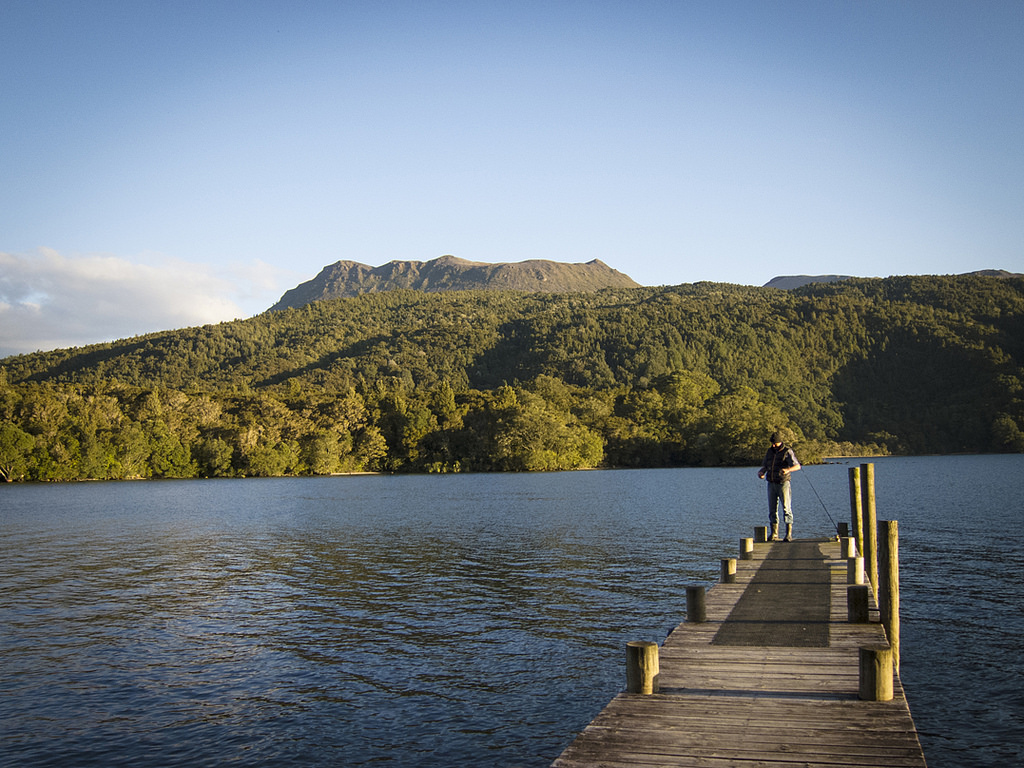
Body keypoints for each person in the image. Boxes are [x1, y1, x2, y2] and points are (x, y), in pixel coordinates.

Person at [757, 432, 801, 542]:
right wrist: (762, 472)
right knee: (772, 510)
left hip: (783, 483)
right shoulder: (769, 451)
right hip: (771, 483)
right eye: (772, 443)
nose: (773, 445)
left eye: (775, 443)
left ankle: (788, 534)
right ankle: (774, 534)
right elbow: (765, 466)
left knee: (786, 508)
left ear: (780, 442)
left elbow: (797, 466)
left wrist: (788, 470)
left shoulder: (787, 451)